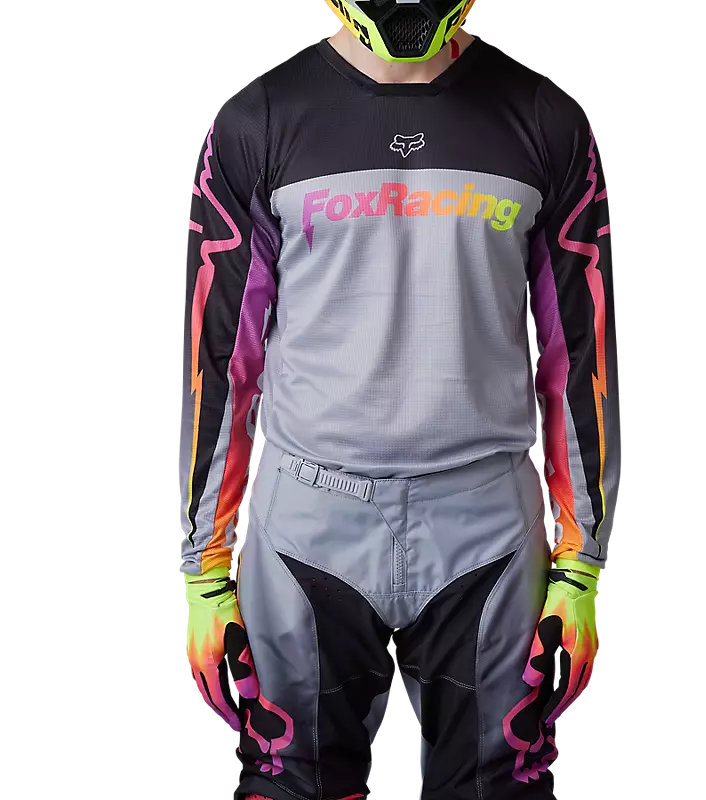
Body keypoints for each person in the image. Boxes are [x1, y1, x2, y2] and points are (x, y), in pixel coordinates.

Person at [179, 2, 621, 799]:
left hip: (484, 532)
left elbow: (579, 355)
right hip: (310, 527)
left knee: (497, 789)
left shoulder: (545, 120)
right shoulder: (259, 121)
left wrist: (581, 566)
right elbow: (220, 360)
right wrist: (203, 572)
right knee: (289, 786)